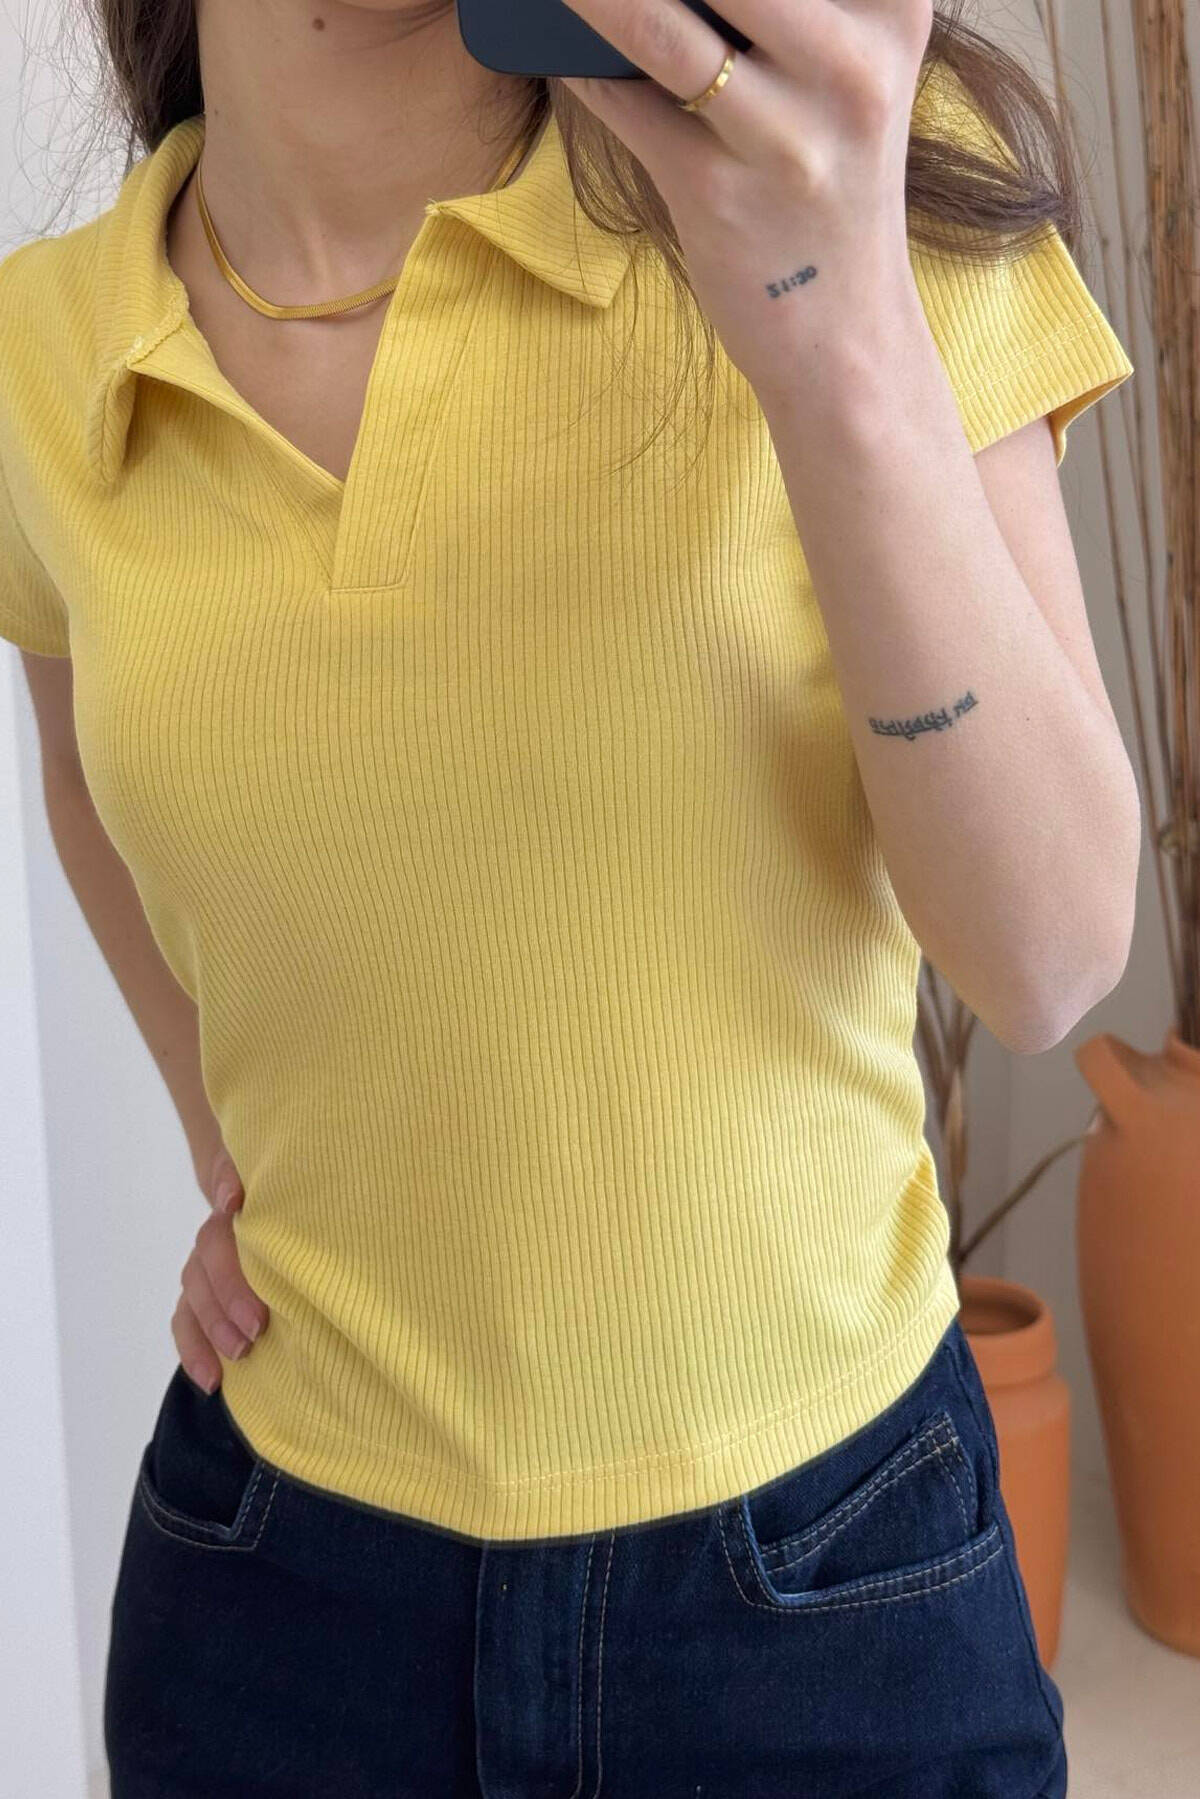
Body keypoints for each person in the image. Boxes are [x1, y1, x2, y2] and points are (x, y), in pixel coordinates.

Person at [2, 0, 1138, 1792]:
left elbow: (1052, 955)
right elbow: (82, 766)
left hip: (825, 1584)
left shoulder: (848, 175)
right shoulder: (43, 350)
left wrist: (835, 331)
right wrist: (234, 1145)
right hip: (275, 1603)